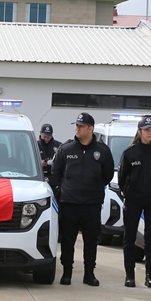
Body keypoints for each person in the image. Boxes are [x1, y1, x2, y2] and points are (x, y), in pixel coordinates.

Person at [50, 111, 115, 287]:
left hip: (92, 203)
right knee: (68, 240)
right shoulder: (66, 149)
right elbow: (56, 172)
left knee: (91, 241)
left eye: (81, 126)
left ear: (90, 128)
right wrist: (63, 189)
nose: (77, 128)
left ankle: (89, 274)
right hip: (69, 203)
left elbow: (108, 174)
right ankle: (67, 273)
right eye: (76, 125)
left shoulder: (102, 151)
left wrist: (95, 187)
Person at [116, 116, 151, 288]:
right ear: (139, 132)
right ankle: (130, 276)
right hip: (133, 200)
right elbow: (122, 177)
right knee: (129, 238)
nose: (149, 133)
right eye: (146, 130)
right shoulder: (130, 153)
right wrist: (128, 192)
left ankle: (150, 276)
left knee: (150, 238)